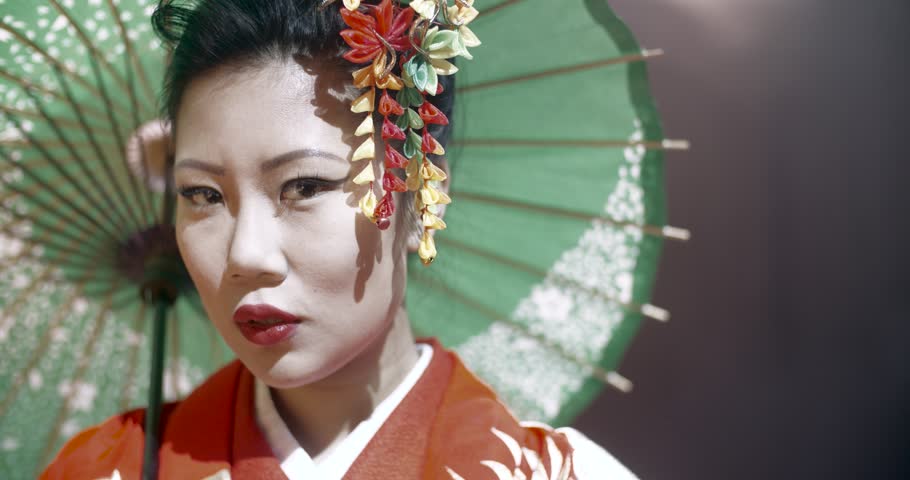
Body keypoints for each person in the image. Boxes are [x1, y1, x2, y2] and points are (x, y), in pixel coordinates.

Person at [41, 1, 637, 478]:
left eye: (304, 185)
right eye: (203, 195)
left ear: (419, 192)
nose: (245, 255)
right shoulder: (105, 470)